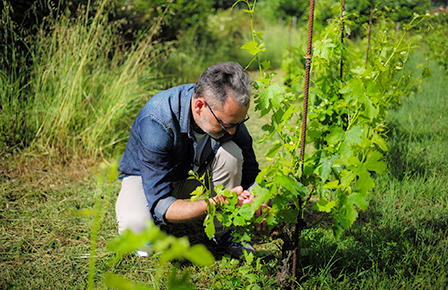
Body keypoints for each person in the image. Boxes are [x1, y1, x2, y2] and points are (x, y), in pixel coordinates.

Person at [115, 62, 266, 259]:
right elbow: (161, 201)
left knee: (232, 153)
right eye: (226, 124)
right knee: (138, 232)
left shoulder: (228, 117)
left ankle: (226, 231)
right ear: (199, 106)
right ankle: (153, 224)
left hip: (193, 172)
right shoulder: (157, 120)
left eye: (238, 123)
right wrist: (213, 204)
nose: (233, 131)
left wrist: (256, 196)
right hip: (146, 179)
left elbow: (250, 169)